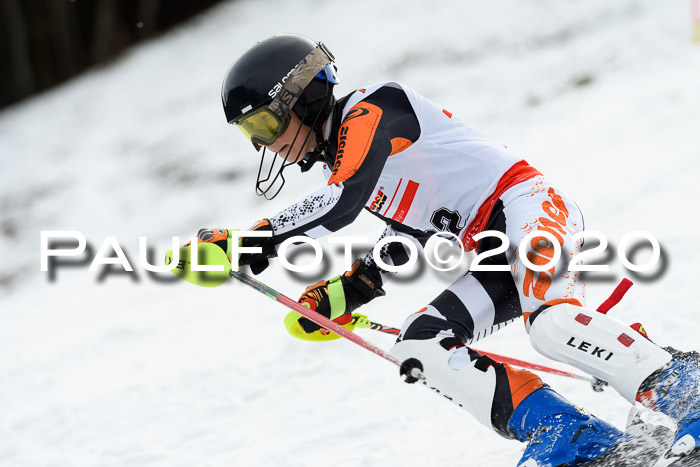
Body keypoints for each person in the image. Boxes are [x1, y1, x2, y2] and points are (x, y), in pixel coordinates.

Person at [194, 34, 700, 466]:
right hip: (495, 248)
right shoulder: (342, 161)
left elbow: (341, 203)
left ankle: (688, 391)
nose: (266, 145)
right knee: (420, 345)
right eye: (250, 134)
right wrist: (354, 287)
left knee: (551, 325)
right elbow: (407, 230)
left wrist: (251, 243)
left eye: (265, 125)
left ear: (301, 99)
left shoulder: (373, 108)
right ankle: (578, 444)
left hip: (529, 207)